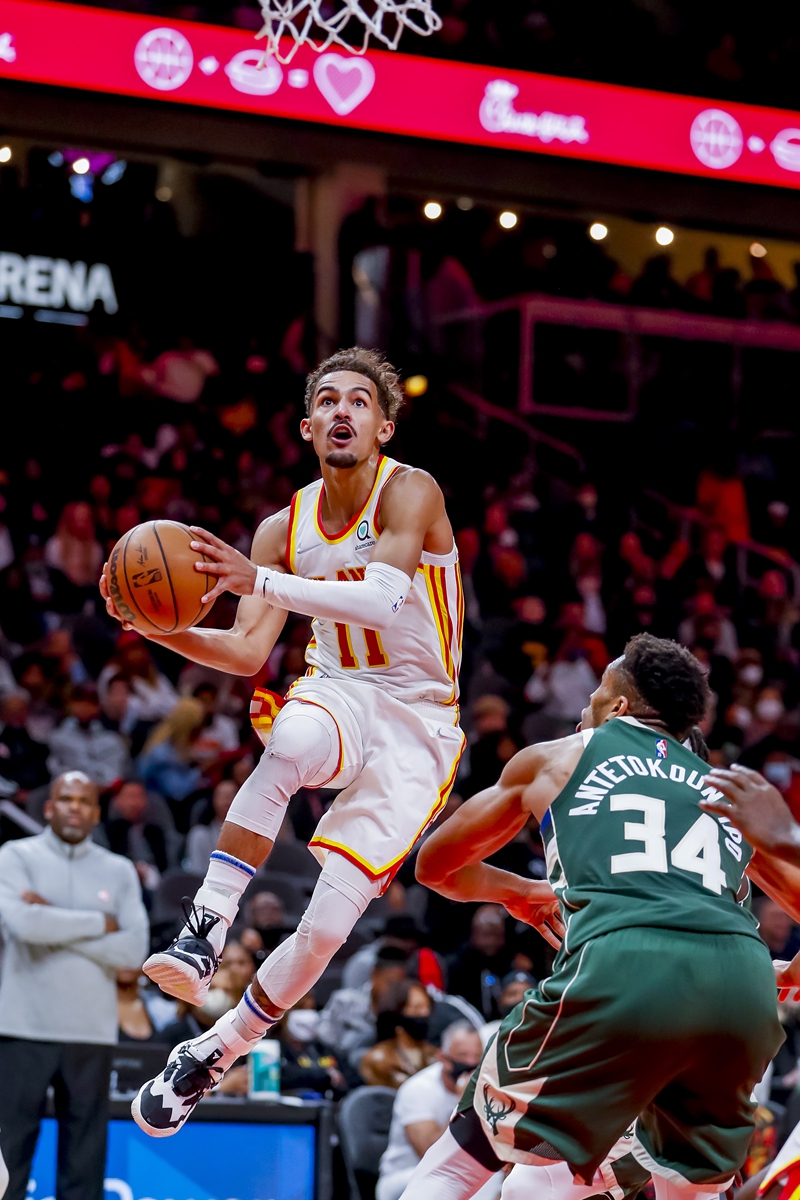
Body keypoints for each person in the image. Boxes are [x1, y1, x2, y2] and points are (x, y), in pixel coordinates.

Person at [100, 347, 465, 1136]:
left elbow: (381, 599)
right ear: (306, 428)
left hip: (420, 720)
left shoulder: (412, 490)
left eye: (359, 401)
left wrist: (255, 580)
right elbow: (244, 651)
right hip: (340, 687)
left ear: (383, 426)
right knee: (290, 741)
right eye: (327, 401)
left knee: (327, 928)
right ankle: (204, 930)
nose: (342, 411)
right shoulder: (280, 529)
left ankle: (215, 1051)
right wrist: (156, 626)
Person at [400, 634, 788, 1200]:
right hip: (742, 985)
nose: (585, 705)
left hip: (625, 964)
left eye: (596, 693)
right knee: (686, 1190)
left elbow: (435, 866)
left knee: (461, 1164)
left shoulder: (561, 756)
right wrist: (785, 971)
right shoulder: (730, 791)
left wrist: (518, 892)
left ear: (619, 706)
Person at [0, 771, 148, 1200]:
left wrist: (52, 917)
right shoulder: (15, 855)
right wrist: (101, 922)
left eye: (84, 801)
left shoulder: (118, 870)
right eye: (66, 799)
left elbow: (133, 951)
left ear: (96, 813)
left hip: (90, 1032)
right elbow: (23, 926)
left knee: (85, 1165)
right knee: (8, 1159)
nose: (75, 808)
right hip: (22, 1028)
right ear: (49, 807)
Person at [377, 1022, 486, 1200]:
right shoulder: (418, 1089)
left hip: (458, 1171)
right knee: (457, 1179)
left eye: (477, 1057)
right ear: (443, 1057)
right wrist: (463, 1103)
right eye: (462, 1055)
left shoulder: (486, 1087)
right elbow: (430, 1153)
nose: (470, 1063)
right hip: (405, 1176)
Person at [47, 684, 130, 789]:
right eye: (80, 702)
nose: (84, 708)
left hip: (106, 792)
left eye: (89, 704)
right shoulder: (57, 739)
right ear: (71, 705)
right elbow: (55, 770)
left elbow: (117, 774)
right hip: (69, 789)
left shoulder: (113, 740)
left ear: (98, 707)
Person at [360, 979, 438, 1088]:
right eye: (417, 1008)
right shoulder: (377, 1061)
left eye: (427, 1008)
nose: (424, 1014)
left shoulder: (436, 1056)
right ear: (398, 1013)